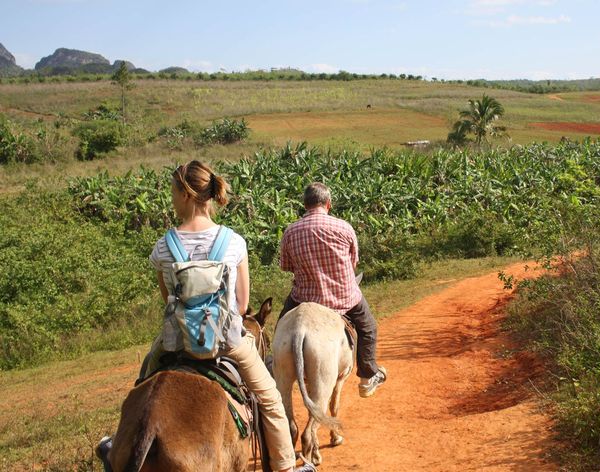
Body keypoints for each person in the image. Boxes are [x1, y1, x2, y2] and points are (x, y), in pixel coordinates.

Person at [101, 161, 314, 472]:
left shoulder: (164, 246)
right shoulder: (234, 242)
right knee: (270, 399)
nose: (171, 199)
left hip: (176, 344)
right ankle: (286, 467)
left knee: (143, 384)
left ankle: (118, 442)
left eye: (173, 192)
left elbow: (168, 300)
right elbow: (241, 306)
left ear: (187, 195)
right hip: (226, 342)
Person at [279, 182, 387, 398]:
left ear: (305, 204)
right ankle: (367, 377)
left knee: (281, 325)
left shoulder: (290, 231)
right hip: (344, 297)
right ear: (328, 204)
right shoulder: (344, 227)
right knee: (368, 328)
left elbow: (286, 266)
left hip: (304, 299)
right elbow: (353, 262)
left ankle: (274, 364)